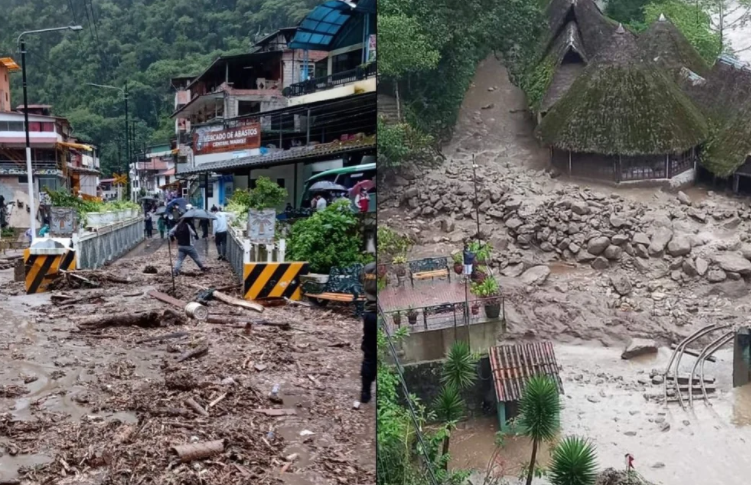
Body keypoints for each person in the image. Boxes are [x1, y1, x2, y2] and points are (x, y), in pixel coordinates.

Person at [354, 261, 377, 409]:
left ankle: (365, 393)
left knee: (369, 355)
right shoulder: (383, 268)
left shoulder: (368, 268)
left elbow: (360, 278)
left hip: (369, 314)